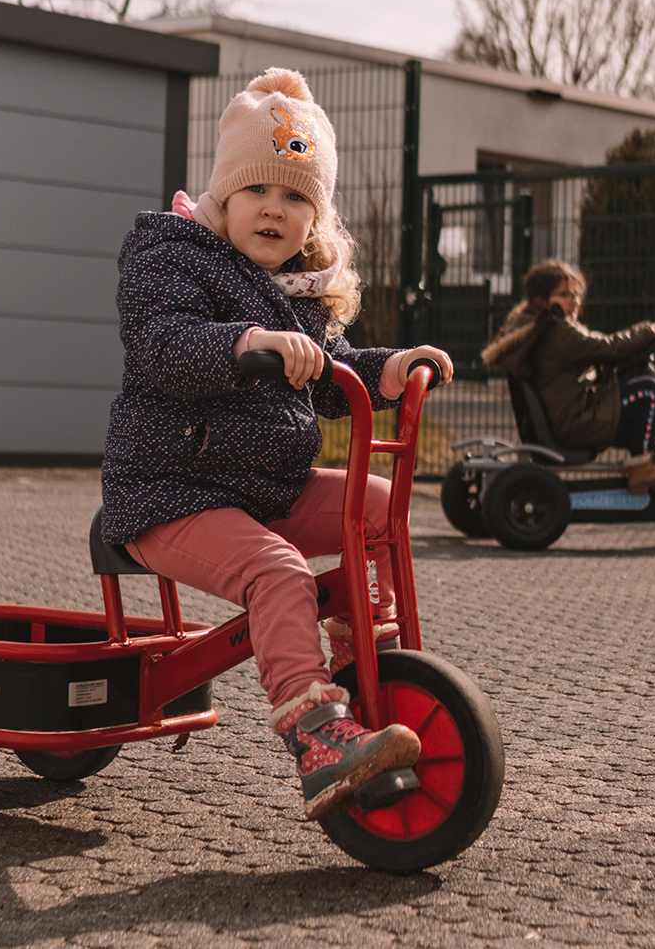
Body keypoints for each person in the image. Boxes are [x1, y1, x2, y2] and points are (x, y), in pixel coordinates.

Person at [99, 68, 454, 821]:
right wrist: (246, 343)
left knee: (383, 509)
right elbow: (163, 345)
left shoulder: (294, 290)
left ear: (313, 217)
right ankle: (314, 733)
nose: (274, 210)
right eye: (258, 191)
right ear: (223, 196)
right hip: (172, 492)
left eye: (296, 197)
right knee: (278, 571)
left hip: (265, 487)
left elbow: (330, 375)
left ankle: (365, 668)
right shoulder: (169, 258)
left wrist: (389, 367)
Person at [480, 259, 655, 492]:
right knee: (647, 391)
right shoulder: (557, 329)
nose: (575, 302)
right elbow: (609, 347)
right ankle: (644, 470)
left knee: (631, 412)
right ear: (541, 299)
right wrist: (651, 330)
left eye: (577, 295)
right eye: (564, 295)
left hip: (563, 420)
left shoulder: (532, 323)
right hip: (575, 424)